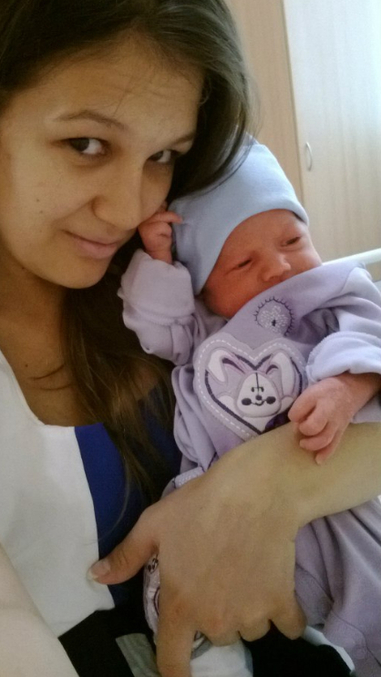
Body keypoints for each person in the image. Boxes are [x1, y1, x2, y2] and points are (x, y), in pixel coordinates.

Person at [0, 0, 381, 677]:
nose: (130, 206)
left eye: (164, 154)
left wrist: (266, 484)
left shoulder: (183, 275)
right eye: (86, 144)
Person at [119, 140, 381, 676]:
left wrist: (347, 386)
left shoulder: (330, 293)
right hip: (221, 497)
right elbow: (154, 327)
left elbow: (369, 332)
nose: (279, 267)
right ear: (202, 288)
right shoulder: (202, 330)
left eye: (292, 240)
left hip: (336, 486)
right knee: (190, 566)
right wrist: (160, 261)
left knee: (365, 582)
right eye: (242, 262)